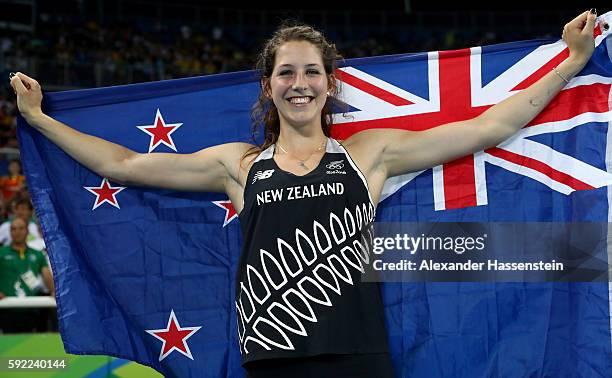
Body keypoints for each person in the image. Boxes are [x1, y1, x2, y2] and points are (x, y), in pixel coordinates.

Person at [9, 9, 597, 377]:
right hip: (271, 360)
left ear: (329, 84)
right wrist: (41, 121)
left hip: (360, 356)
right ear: (269, 86)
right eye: (287, 72)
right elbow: (128, 163)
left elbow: (487, 128)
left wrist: (569, 63)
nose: (300, 83)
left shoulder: (368, 153)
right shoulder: (239, 166)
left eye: (311, 71)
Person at [0, 217, 54, 333]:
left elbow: (47, 276)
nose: (17, 232)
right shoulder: (1, 252)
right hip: (5, 310)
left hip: (31, 310)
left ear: (27, 231)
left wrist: (53, 291)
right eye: (13, 229)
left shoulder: (37, 254)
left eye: (21, 228)